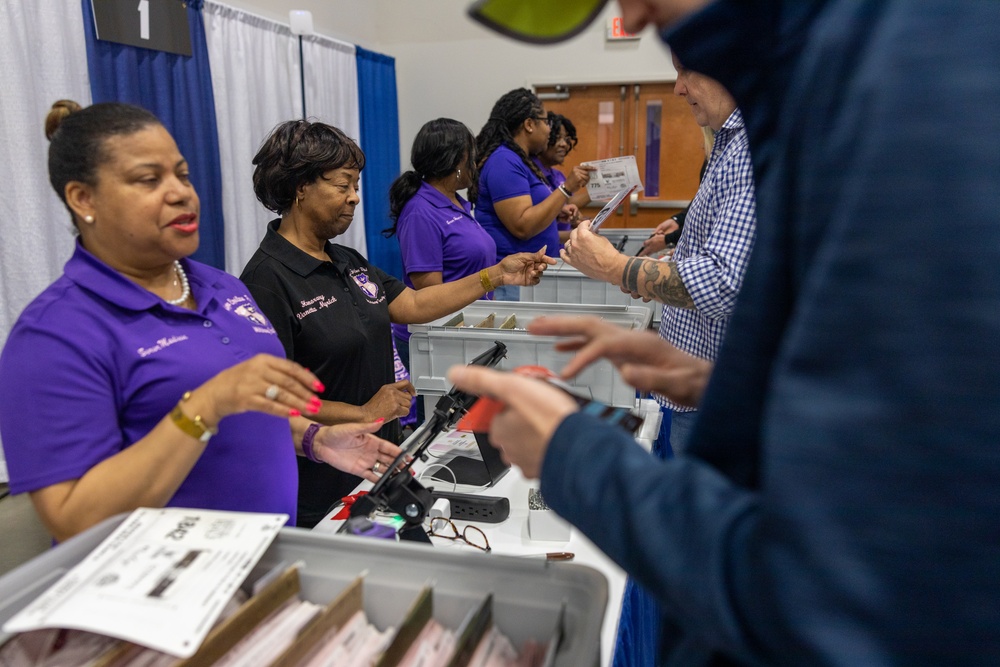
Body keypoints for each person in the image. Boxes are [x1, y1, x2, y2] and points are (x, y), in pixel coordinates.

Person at [460, 0, 1000, 664]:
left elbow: (828, 591)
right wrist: (721, 382)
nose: (630, 12)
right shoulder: (822, 88)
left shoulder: (911, 77)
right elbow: (866, 398)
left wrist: (573, 457)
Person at [0, 101, 400, 542]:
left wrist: (315, 441)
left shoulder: (224, 289)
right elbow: (73, 518)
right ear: (83, 199)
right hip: (160, 591)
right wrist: (202, 408)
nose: (181, 193)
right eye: (149, 180)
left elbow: (245, 414)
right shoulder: (53, 335)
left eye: (182, 174)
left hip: (264, 562)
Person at [241, 119, 554, 527]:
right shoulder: (266, 281)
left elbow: (417, 303)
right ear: (301, 187)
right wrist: (361, 411)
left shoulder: (345, 261)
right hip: (323, 492)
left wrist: (496, 275)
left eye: (356, 186)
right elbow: (270, 402)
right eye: (343, 185)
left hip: (378, 467)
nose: (354, 198)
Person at [562, 58, 756, 457]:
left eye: (688, 71)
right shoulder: (727, 145)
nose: (678, 88)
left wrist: (616, 266)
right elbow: (717, 257)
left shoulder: (748, 152)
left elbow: (723, 284)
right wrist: (647, 274)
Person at [385, 118, 495, 395]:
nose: (477, 161)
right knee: (441, 419)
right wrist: (490, 277)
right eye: (472, 153)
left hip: (464, 330)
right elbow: (428, 292)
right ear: (456, 160)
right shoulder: (420, 211)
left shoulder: (456, 201)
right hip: (435, 338)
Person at [474, 88, 593, 300]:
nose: (549, 130)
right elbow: (522, 226)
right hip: (512, 281)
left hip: (529, 276)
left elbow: (530, 210)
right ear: (529, 125)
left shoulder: (521, 160)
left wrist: (556, 212)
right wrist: (566, 188)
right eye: (545, 122)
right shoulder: (504, 161)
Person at [532, 112, 585, 245]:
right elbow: (533, 228)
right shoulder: (532, 175)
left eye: (566, 139)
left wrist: (575, 220)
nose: (564, 144)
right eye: (557, 138)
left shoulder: (557, 175)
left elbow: (567, 204)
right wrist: (575, 235)